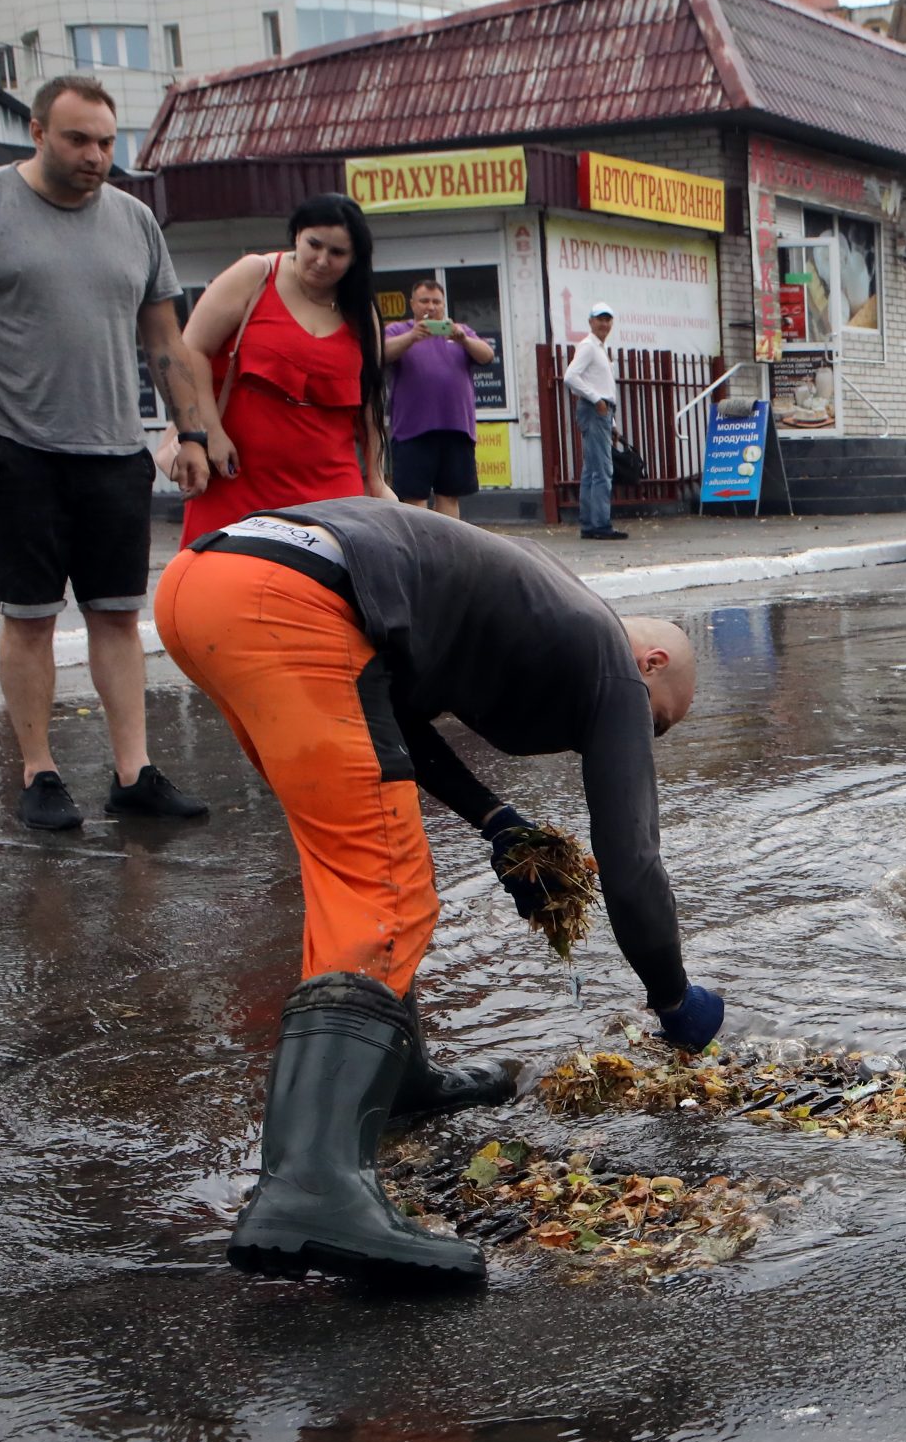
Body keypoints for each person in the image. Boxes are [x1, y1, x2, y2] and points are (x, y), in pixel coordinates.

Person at [153, 497, 721, 1282]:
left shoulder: (535, 614)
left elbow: (390, 717)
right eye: (657, 724)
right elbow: (630, 862)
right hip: (292, 600)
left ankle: (402, 1074)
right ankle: (310, 1189)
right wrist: (673, 997)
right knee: (386, 888)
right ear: (651, 666)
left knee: (347, 862)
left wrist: (497, 821)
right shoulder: (610, 658)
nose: (643, 735)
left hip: (206, 582)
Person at [0, 73, 221, 833]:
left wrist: (190, 433)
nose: (95, 156)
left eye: (108, 143)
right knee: (30, 615)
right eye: (79, 139)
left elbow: (164, 340)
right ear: (38, 130)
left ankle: (133, 772)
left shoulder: (134, 220)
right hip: (16, 447)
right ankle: (39, 772)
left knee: (117, 614)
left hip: (113, 449)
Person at [177, 194, 392, 547]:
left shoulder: (360, 311)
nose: (322, 260)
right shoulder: (255, 274)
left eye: (337, 253)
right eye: (314, 244)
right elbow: (192, 350)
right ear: (296, 235)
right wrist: (209, 433)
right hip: (238, 478)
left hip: (331, 489)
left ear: (355, 259)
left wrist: (377, 480)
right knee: (225, 588)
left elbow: (370, 402)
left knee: (323, 595)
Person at [382, 279, 495, 520]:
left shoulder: (460, 331)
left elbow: (487, 355)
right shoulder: (398, 331)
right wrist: (413, 336)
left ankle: (448, 552)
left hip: (456, 428)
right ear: (413, 304)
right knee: (414, 497)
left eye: (436, 302)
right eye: (424, 301)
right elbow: (381, 353)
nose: (430, 307)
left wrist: (463, 338)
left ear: (444, 305)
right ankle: (421, 553)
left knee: (449, 495)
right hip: (412, 430)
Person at [563, 303, 628, 541]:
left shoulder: (600, 348)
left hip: (601, 411)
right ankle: (601, 524)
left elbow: (605, 385)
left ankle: (590, 523)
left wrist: (612, 422)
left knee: (592, 469)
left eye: (608, 320)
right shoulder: (589, 346)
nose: (604, 324)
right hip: (594, 409)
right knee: (602, 469)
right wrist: (596, 399)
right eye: (600, 319)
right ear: (590, 322)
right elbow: (571, 377)